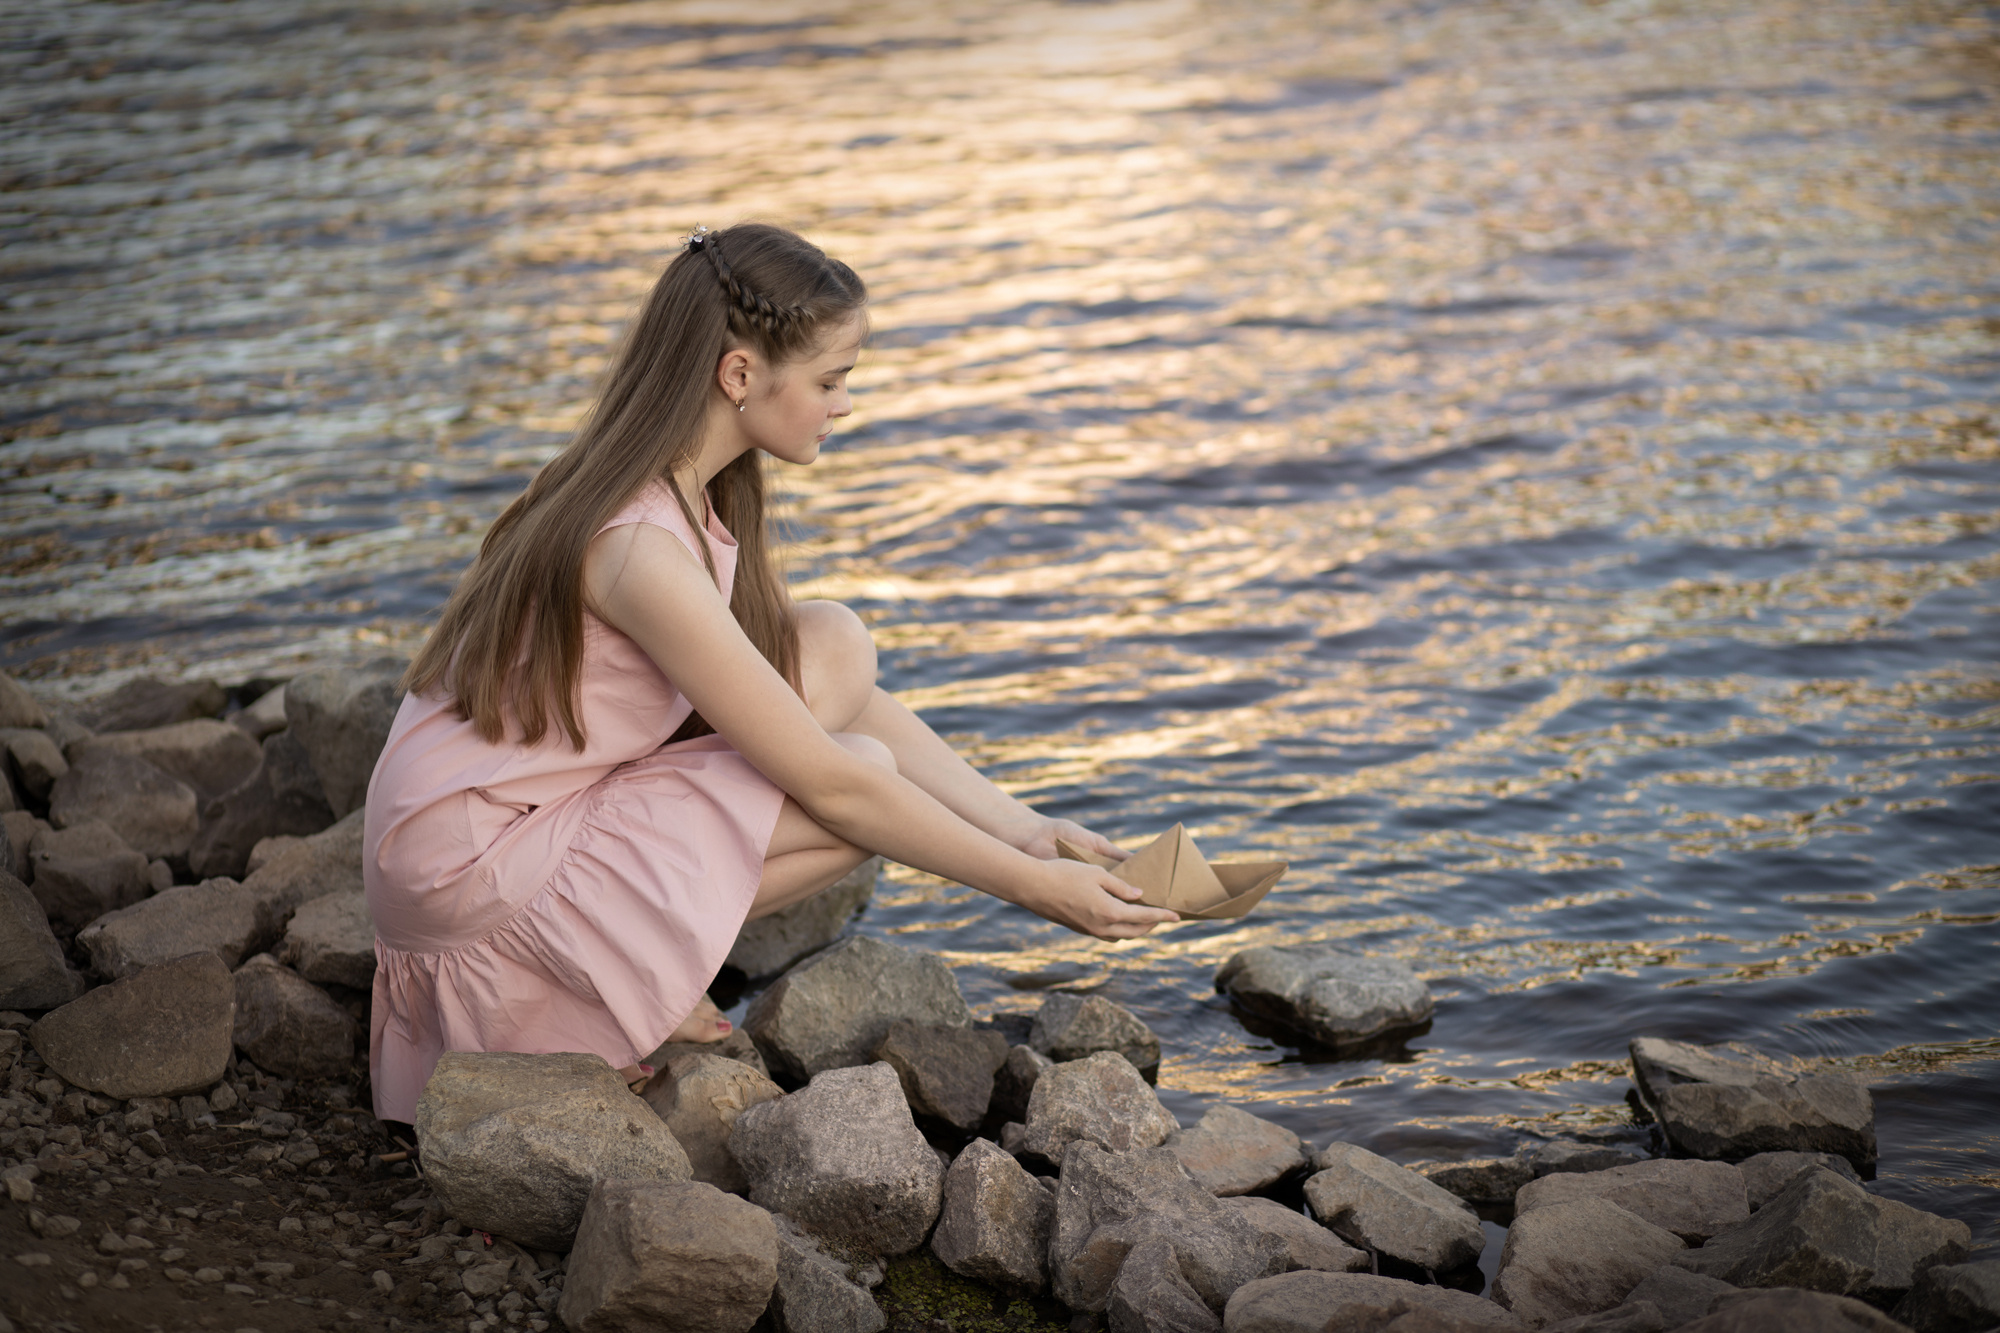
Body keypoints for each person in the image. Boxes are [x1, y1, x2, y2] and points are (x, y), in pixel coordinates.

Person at [362, 222, 1177, 1125]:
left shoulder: (662, 487)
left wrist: (1028, 834)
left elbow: (842, 697)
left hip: (480, 826)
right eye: (831, 381)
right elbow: (835, 781)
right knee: (859, 785)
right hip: (474, 877)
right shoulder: (637, 546)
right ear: (740, 375)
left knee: (833, 644)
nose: (843, 405)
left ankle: (637, 963)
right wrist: (1032, 891)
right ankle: (612, 985)